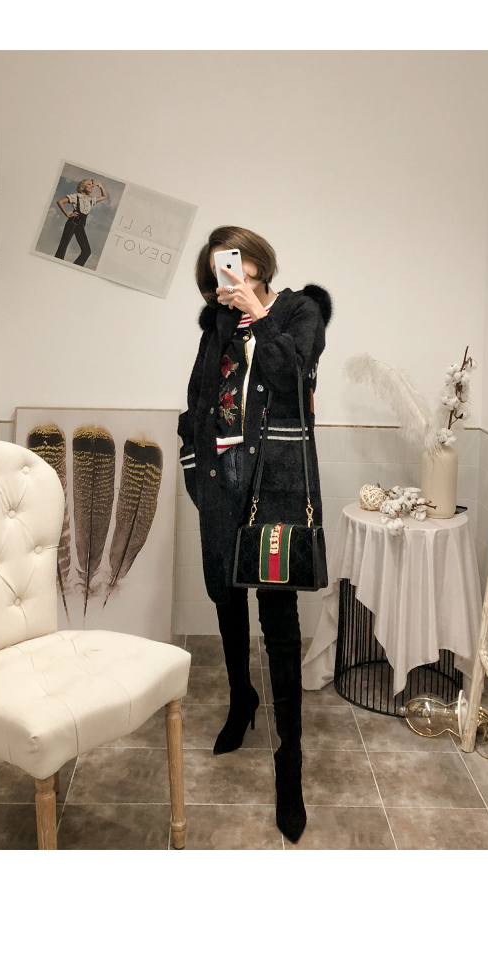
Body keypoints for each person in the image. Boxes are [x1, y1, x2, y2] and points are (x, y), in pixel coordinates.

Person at [178, 226, 332, 843]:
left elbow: (291, 373)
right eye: (220, 269)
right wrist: (194, 466)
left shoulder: (300, 312)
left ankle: (289, 761)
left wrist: (259, 315)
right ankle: (241, 698)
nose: (230, 277)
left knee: (279, 616)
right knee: (226, 597)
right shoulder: (215, 326)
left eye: (236, 263)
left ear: (258, 263)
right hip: (221, 481)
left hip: (275, 485)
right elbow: (197, 400)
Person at [55, 177, 106, 266]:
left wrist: (101, 186)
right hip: (72, 222)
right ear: (83, 186)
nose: (92, 187)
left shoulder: (90, 200)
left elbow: (104, 196)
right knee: (63, 247)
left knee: (87, 251)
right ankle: (56, 266)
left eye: (92, 185)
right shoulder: (76, 196)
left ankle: (74, 268)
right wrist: (67, 215)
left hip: (81, 225)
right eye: (89, 184)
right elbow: (60, 202)